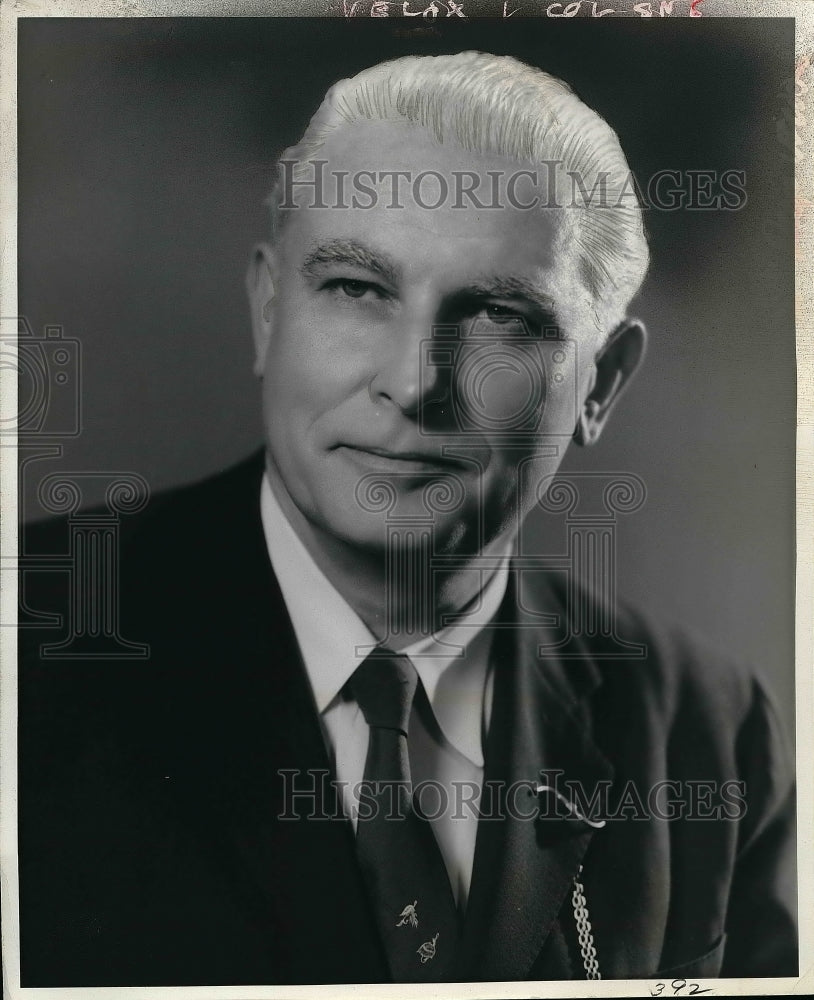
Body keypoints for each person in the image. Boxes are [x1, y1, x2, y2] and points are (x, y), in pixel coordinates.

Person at [18, 51, 797, 986]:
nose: (414, 381)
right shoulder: (28, 646)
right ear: (269, 311)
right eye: (356, 290)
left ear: (601, 384)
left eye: (500, 315)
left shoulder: (708, 730)